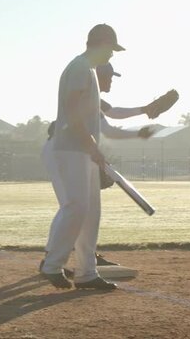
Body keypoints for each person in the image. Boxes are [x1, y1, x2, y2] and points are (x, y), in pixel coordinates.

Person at [40, 62, 154, 278]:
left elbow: (113, 114)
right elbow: (110, 128)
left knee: (75, 206)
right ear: (98, 77)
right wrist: (140, 129)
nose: (111, 81)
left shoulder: (94, 99)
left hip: (71, 150)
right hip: (64, 149)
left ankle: (81, 257)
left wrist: (143, 111)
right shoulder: (88, 97)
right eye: (109, 76)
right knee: (72, 205)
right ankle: (52, 259)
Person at [39, 23, 125, 290]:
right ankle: (52, 265)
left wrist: (93, 149)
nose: (112, 55)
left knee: (90, 212)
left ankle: (87, 272)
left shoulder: (87, 69)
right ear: (99, 44)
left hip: (83, 150)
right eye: (111, 49)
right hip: (71, 147)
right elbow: (72, 109)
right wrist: (90, 144)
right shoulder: (79, 67)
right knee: (76, 206)